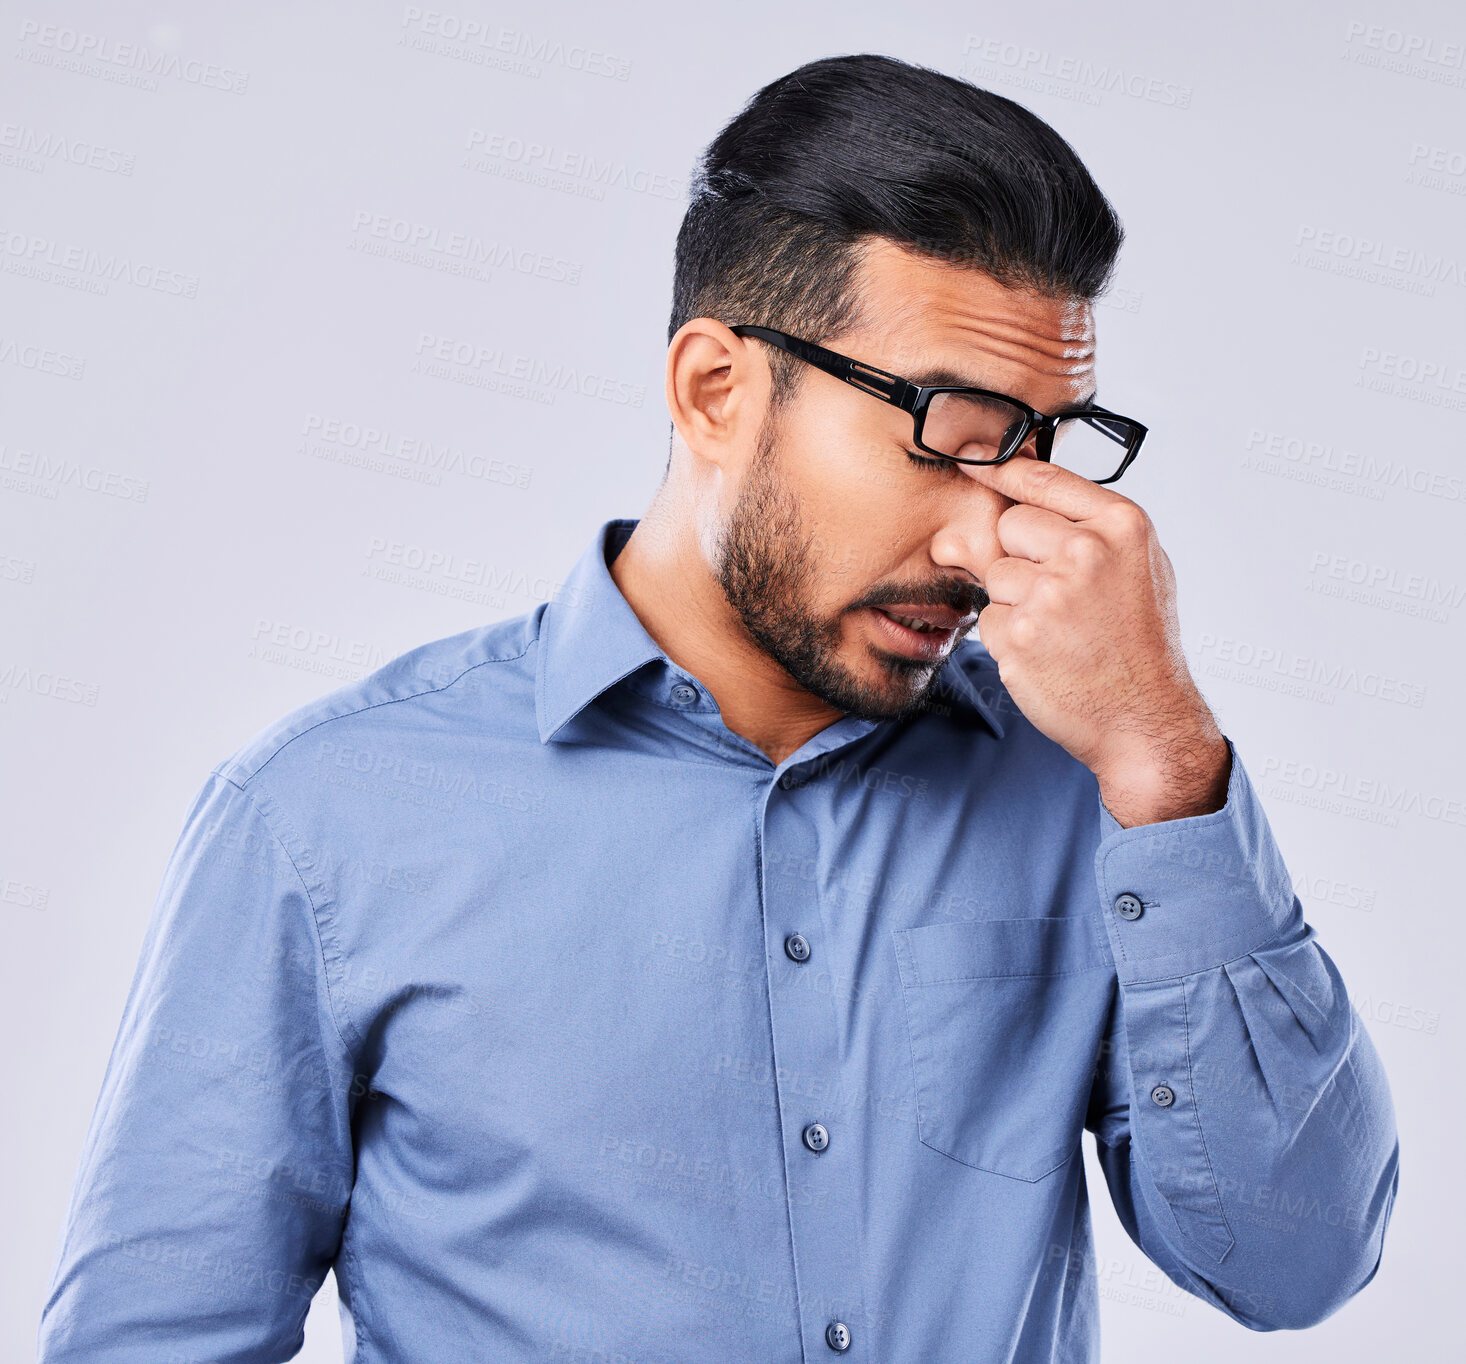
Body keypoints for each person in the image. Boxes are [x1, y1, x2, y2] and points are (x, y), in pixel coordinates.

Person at [38, 52, 1398, 1363]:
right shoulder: (327, 819)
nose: (999, 531)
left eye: (1045, 452)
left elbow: (1291, 1268)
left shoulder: (1090, 792)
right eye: (953, 434)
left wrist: (1165, 761)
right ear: (714, 388)